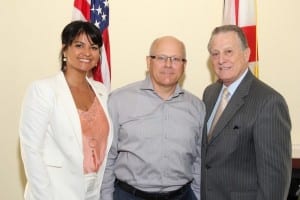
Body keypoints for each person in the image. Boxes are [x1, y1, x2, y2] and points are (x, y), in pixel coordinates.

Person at [100, 36, 205, 200]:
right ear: (149, 62)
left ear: (184, 65)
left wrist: (197, 196)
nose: (168, 65)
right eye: (161, 58)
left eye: (176, 59)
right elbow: (107, 157)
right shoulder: (119, 101)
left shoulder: (197, 107)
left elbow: (199, 160)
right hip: (129, 195)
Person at [19, 20, 113, 200]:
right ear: (65, 49)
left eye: (93, 47)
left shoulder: (102, 91)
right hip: (55, 190)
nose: (87, 52)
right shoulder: (43, 90)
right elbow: (31, 151)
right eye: (79, 45)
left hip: (95, 190)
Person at [201, 24, 292, 200]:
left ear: (246, 54)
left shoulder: (269, 102)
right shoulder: (209, 93)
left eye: (228, 52)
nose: (221, 60)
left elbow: (274, 182)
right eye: (215, 53)